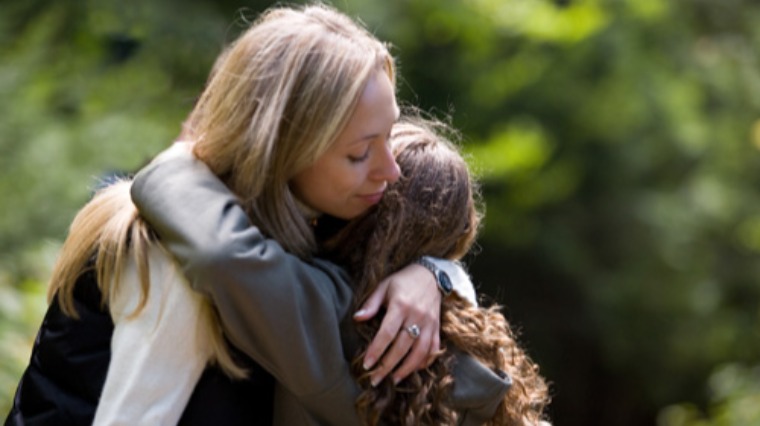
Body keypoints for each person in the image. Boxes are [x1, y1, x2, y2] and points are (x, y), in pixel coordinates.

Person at [5, 4, 483, 425]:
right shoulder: (174, 259)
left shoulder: (301, 228)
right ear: (285, 150)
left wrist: (434, 274)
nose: (391, 169)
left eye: (389, 135)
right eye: (360, 154)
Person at [129, 116, 550, 425]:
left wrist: (186, 151)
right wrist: (436, 271)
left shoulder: (336, 316)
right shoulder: (476, 335)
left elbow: (218, 250)